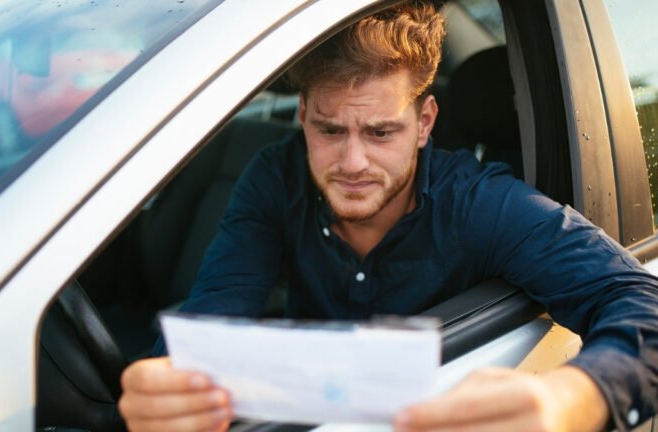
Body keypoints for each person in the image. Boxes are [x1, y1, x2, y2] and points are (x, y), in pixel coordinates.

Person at [118, 2, 658, 431]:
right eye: (330, 130)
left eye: (381, 133)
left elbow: (643, 306)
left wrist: (573, 398)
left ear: (424, 123)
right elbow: (212, 319)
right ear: (302, 115)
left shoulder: (480, 203)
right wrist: (167, 389)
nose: (353, 164)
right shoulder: (275, 178)